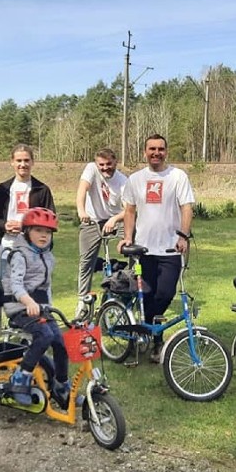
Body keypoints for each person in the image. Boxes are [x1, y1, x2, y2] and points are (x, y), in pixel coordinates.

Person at [119, 134, 195, 363]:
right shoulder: (135, 179)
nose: (156, 153)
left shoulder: (178, 176)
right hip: (143, 249)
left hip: (170, 249)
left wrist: (183, 235)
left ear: (166, 151)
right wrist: (127, 238)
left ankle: (146, 329)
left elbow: (187, 207)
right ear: (145, 151)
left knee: (165, 293)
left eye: (160, 149)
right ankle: (154, 339)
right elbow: (130, 211)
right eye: (152, 149)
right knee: (146, 294)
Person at [0, 144, 55, 342]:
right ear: (12, 162)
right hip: (7, 247)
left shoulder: (41, 190)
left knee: (33, 291)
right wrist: (4, 226)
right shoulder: (3, 189)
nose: (23, 164)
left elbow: (51, 220)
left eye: (26, 160)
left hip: (31, 251)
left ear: (33, 162)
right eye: (19, 160)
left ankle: (32, 333)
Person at [3, 208, 71, 406]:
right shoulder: (19, 255)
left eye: (48, 232)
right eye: (38, 230)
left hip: (40, 308)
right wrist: (29, 303)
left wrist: (47, 307)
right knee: (44, 336)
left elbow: (46, 287)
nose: (43, 235)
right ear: (26, 232)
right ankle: (20, 377)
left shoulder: (48, 256)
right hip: (19, 307)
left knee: (60, 341)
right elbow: (16, 285)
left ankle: (61, 384)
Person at [75, 147, 127, 317]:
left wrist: (114, 220)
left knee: (135, 249)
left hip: (116, 218)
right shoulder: (91, 169)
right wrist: (81, 211)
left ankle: (124, 288)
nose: (105, 168)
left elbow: (129, 210)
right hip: (92, 220)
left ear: (116, 162)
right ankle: (83, 301)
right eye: (102, 165)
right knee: (85, 262)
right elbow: (82, 190)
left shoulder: (123, 181)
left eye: (109, 164)